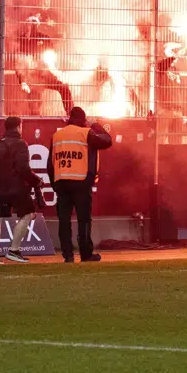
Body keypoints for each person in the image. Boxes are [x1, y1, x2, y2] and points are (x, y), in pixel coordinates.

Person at [47, 105, 112, 263]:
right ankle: (85, 254)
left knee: (64, 220)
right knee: (83, 220)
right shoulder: (86, 133)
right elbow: (107, 140)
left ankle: (68, 255)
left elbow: (50, 164)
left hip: (61, 183)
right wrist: (95, 124)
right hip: (81, 182)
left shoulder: (57, 135)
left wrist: (55, 184)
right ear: (83, 120)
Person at [0, 115, 45, 264]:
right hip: (16, 188)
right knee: (27, 214)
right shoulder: (21, 144)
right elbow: (23, 168)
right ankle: (14, 250)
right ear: (17, 127)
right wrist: (36, 181)